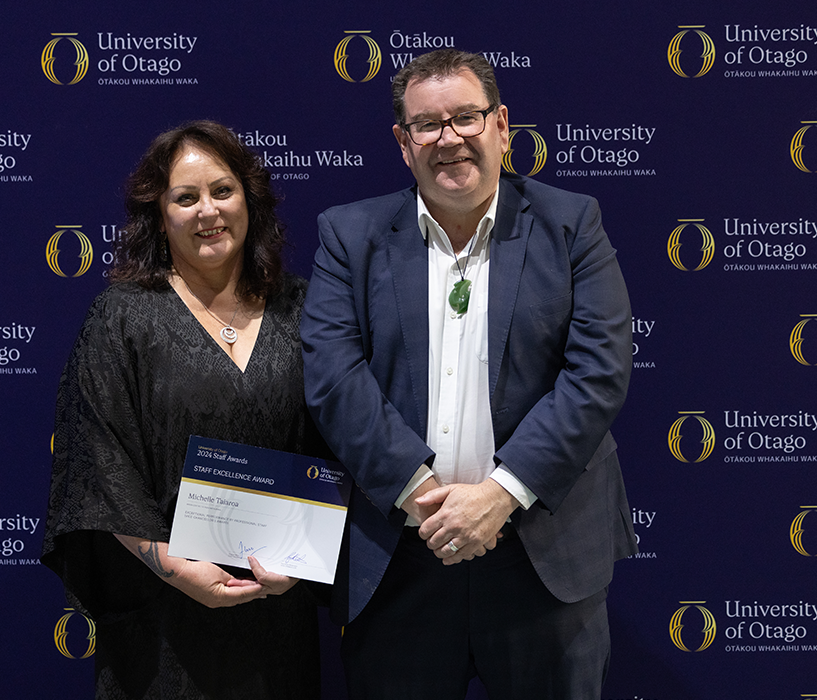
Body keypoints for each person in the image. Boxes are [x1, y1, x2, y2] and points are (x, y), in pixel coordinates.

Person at [301, 49, 636, 699]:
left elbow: (598, 371)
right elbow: (335, 379)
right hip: (400, 560)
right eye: (427, 125)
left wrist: (500, 495)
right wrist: (428, 500)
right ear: (404, 142)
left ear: (502, 126)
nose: (448, 138)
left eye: (466, 118)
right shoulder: (349, 235)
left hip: (542, 558)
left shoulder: (573, 226)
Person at [42, 120, 321, 700]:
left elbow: (334, 441)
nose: (207, 211)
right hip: (163, 615)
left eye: (222, 191)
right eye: (185, 197)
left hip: (278, 605)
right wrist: (172, 566)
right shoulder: (121, 318)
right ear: (159, 215)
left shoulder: (303, 309)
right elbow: (98, 457)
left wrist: (303, 555)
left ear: (250, 198)